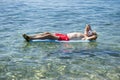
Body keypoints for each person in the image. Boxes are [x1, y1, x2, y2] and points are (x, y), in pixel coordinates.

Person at [23, 24, 97, 42]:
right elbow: (87, 25)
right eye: (89, 31)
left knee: (48, 35)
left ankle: (31, 38)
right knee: (47, 32)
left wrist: (92, 35)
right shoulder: (85, 33)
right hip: (63, 35)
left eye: (90, 32)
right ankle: (31, 36)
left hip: (66, 38)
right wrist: (90, 30)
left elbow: (94, 37)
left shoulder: (87, 37)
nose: (89, 32)